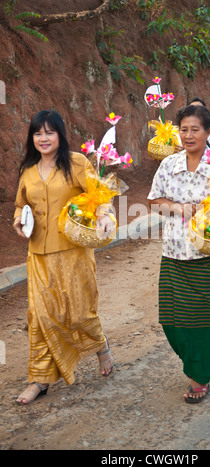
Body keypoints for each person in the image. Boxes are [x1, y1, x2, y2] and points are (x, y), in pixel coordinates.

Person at [148, 105, 210, 403]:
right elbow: (154, 200)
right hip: (176, 255)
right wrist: (177, 207)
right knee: (174, 320)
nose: (188, 135)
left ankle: (199, 376)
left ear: (208, 132)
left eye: (195, 129)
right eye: (184, 129)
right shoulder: (169, 164)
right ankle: (195, 364)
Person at [13, 110, 114, 405]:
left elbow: (100, 194)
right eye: (37, 133)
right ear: (32, 138)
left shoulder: (77, 163)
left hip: (74, 251)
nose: (43, 139)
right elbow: (21, 206)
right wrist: (19, 221)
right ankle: (39, 379)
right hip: (38, 254)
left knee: (80, 311)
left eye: (49, 132)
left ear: (60, 134)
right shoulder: (28, 170)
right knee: (42, 316)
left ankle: (101, 345)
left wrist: (104, 216)